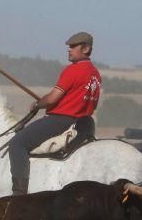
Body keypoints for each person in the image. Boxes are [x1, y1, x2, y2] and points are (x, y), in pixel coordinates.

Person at [8, 31, 101, 194]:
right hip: (84, 123)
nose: (69, 50)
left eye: (73, 46)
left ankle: (19, 194)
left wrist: (38, 104)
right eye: (69, 47)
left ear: (86, 49)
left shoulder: (73, 70)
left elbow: (51, 99)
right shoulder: (95, 74)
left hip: (60, 121)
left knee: (17, 144)